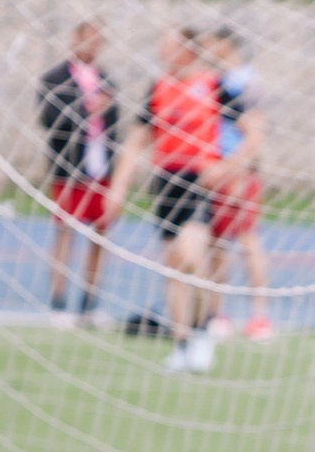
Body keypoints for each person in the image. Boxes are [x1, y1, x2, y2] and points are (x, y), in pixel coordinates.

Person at [105, 27, 220, 374]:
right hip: (167, 181)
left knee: (194, 258)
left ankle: (203, 333)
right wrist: (118, 187)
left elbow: (251, 132)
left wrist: (232, 168)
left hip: (199, 180)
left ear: (188, 49)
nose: (162, 50)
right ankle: (182, 344)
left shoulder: (215, 85)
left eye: (168, 44)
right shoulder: (159, 87)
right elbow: (137, 141)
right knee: (174, 268)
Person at [37, 20, 118, 326]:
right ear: (76, 40)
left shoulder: (107, 80)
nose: (94, 47)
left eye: (99, 42)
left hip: (100, 169)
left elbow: (115, 128)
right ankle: (58, 304)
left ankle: (90, 305)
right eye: (89, 40)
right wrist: (88, 109)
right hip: (69, 170)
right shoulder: (54, 78)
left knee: (100, 236)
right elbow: (49, 120)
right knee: (65, 234)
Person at [202, 24, 271, 343]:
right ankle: (218, 312)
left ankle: (260, 315)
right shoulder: (212, 81)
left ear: (226, 45)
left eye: (211, 43)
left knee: (247, 240)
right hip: (213, 169)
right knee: (217, 242)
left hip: (238, 171)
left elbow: (255, 132)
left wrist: (239, 171)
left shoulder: (246, 80)